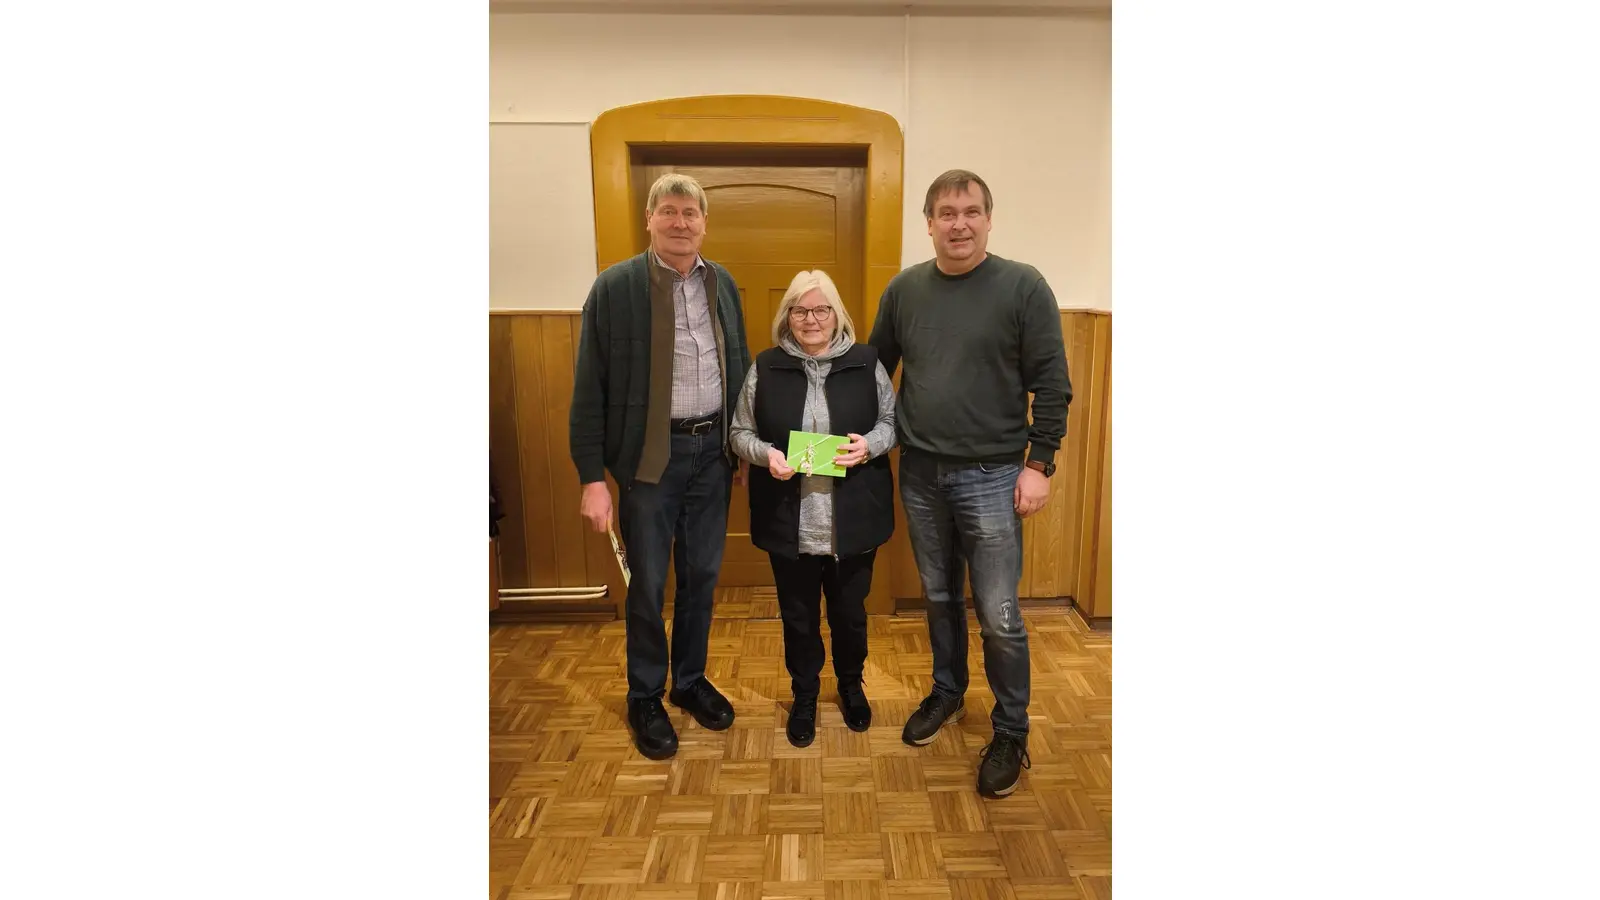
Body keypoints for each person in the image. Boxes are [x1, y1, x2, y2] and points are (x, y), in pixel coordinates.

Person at [868, 169, 1072, 797]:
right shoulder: (904, 291)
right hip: (921, 473)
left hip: (994, 476)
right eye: (946, 213)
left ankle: (1011, 728)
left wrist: (1039, 465)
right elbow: (873, 374)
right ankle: (949, 691)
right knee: (938, 598)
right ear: (928, 223)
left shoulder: (1022, 286)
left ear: (989, 219)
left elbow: (1052, 383)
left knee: (1000, 613)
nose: (959, 223)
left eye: (971, 212)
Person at [569, 172, 752, 760]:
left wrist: (741, 445)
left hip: (712, 456)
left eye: (690, 214)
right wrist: (592, 477)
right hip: (650, 460)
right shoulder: (615, 287)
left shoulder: (723, 285)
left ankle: (689, 680)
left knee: (702, 576)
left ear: (704, 223)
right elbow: (588, 389)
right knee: (647, 583)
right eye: (668, 212)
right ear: (650, 220)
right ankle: (644, 692)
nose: (680, 223)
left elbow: (742, 369)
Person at [729, 270, 897, 748]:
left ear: (837, 314)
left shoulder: (867, 364)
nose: (811, 319)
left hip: (854, 519)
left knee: (850, 614)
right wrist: (767, 456)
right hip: (790, 520)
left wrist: (868, 446)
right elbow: (740, 433)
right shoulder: (766, 366)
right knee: (798, 617)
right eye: (800, 310)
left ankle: (850, 686)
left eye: (821, 309)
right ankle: (804, 694)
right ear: (788, 316)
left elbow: (892, 422)